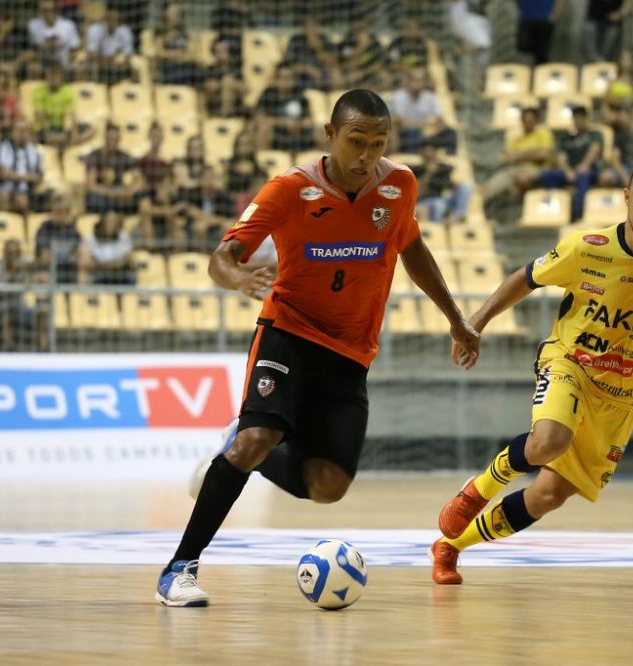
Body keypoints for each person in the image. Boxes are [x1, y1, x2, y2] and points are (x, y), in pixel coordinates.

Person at [156, 89, 480, 607]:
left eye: (378, 143)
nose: (367, 155)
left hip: (350, 352)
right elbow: (223, 255)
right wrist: (239, 278)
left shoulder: (400, 185)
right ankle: (179, 569)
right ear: (331, 135)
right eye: (356, 141)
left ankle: (239, 445)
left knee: (328, 486)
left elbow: (411, 246)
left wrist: (456, 318)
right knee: (256, 439)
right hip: (288, 331)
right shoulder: (290, 188)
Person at [429, 159, 633, 585]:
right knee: (549, 441)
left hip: (620, 398)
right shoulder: (588, 247)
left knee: (547, 496)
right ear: (626, 198)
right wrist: (474, 323)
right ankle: (476, 491)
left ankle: (451, 547)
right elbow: (526, 277)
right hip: (569, 363)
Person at [537, 105, 604, 222]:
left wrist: (584, 165)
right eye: (575, 118)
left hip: (589, 170)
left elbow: (594, 150)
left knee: (582, 177)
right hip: (570, 172)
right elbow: (561, 157)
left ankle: (579, 216)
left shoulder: (595, 134)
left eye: (580, 118)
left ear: (586, 118)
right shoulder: (567, 138)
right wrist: (567, 171)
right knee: (548, 175)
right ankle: (553, 212)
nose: (578, 121)